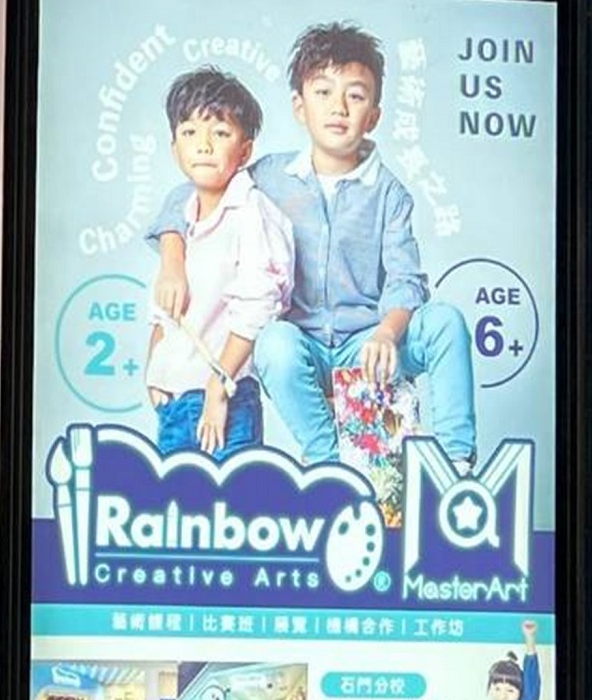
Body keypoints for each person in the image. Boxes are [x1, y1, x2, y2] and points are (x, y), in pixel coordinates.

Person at [151, 24, 476, 469]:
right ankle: (328, 463)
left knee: (445, 322)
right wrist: (172, 254)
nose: (338, 107)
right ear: (300, 107)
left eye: (355, 95)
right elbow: (196, 188)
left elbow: (406, 280)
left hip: (368, 346)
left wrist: (386, 331)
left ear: (374, 115)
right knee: (275, 342)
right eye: (323, 92)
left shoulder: (390, 194)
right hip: (301, 347)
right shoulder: (267, 176)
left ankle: (458, 461)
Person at [144, 67, 295, 462]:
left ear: (245, 151)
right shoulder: (182, 218)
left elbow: (260, 305)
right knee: (174, 517)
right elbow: (165, 311)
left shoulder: (252, 213)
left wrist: (219, 384)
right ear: (174, 147)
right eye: (190, 133)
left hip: (229, 399)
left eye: (221, 133)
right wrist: (154, 373)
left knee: (236, 511)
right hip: (175, 402)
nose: (204, 145)